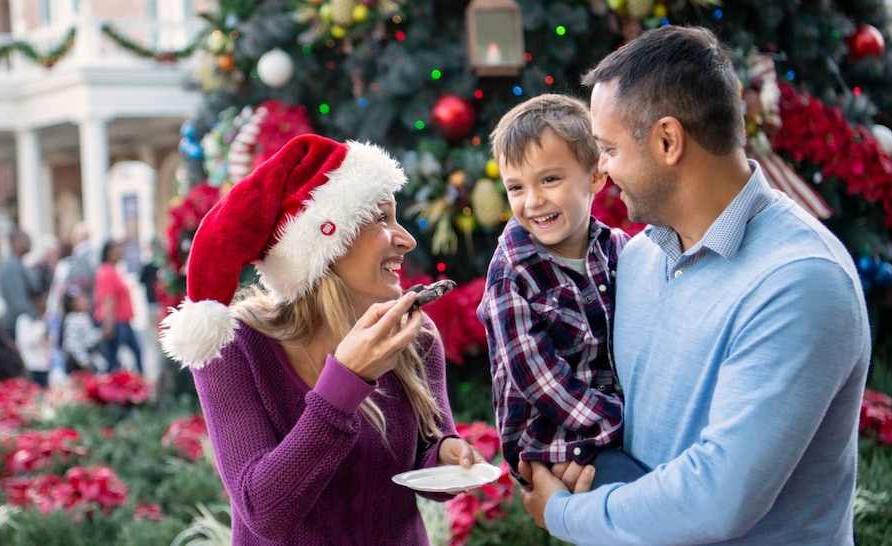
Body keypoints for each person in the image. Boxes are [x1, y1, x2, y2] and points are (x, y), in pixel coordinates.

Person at [517, 26, 872, 545]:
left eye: (609, 148)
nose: (601, 168)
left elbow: (717, 499)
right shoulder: (638, 258)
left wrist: (566, 514)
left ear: (667, 140)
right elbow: (637, 441)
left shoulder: (800, 282)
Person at [160, 134, 486, 544]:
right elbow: (263, 513)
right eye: (381, 219)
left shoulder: (415, 337)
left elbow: (426, 449)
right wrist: (346, 380)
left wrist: (447, 456)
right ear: (325, 241)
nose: (407, 239)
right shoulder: (236, 349)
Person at [478, 94, 632, 487]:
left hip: (617, 422)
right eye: (516, 187)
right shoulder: (511, 272)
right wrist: (618, 421)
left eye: (549, 179)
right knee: (643, 502)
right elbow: (536, 377)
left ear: (596, 176)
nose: (533, 201)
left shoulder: (618, 249)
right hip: (552, 442)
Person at [94, 240, 143, 374]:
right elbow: (108, 299)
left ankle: (140, 382)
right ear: (109, 254)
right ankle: (109, 389)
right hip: (115, 322)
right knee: (112, 358)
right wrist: (108, 324)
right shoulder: (106, 272)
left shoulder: (114, 271)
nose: (120, 252)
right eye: (116, 249)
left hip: (123, 321)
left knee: (135, 351)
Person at [0, 229, 42, 340]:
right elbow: (18, 301)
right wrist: (34, 316)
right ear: (15, 241)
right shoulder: (11, 267)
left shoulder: (19, 264)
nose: (29, 243)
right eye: (26, 239)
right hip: (18, 326)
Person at [60, 289, 103, 374]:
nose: (85, 301)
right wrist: (84, 361)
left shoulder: (84, 316)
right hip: (76, 361)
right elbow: (73, 344)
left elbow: (88, 339)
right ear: (73, 304)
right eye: (81, 299)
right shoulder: (72, 319)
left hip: (86, 357)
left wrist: (100, 334)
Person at [16, 296, 52, 387]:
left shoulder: (45, 318)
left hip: (45, 366)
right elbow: (25, 342)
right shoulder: (24, 319)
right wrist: (41, 328)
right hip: (31, 366)